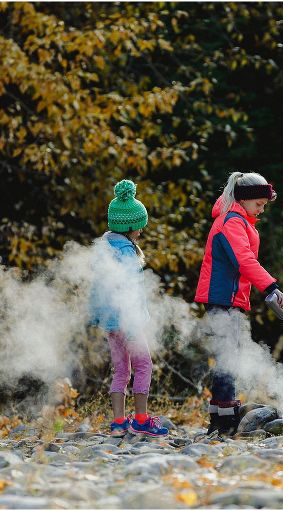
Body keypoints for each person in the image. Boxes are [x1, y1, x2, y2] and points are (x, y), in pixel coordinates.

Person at [194, 171, 283, 436]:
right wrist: (271, 286)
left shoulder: (239, 220)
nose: (261, 209)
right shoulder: (231, 222)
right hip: (220, 298)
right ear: (244, 199)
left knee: (227, 355)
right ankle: (226, 421)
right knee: (228, 358)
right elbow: (244, 261)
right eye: (259, 204)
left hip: (227, 298)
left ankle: (218, 418)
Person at [89, 179, 168, 437]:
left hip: (112, 324)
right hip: (129, 320)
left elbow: (96, 291)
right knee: (144, 365)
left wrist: (98, 318)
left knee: (121, 369)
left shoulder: (104, 249)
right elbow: (131, 292)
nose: (141, 232)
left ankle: (119, 423)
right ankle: (142, 420)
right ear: (130, 226)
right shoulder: (126, 253)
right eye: (140, 227)